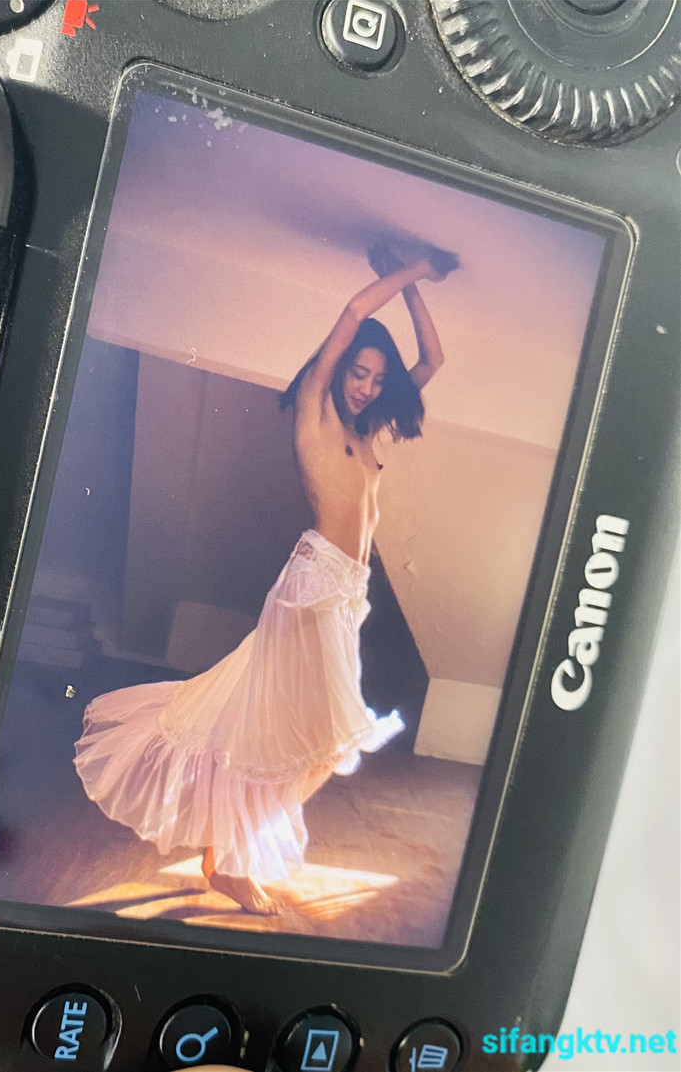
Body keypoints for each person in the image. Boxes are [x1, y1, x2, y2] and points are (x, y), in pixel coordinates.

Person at [74, 242, 457, 914]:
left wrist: (412, 288)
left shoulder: (369, 431)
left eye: (376, 378)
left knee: (297, 743)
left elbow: (432, 361)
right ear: (336, 368)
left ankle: (223, 854)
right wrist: (414, 267)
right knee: (317, 741)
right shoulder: (315, 409)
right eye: (358, 372)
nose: (366, 387)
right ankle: (226, 858)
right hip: (312, 588)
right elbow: (353, 313)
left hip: (345, 596)